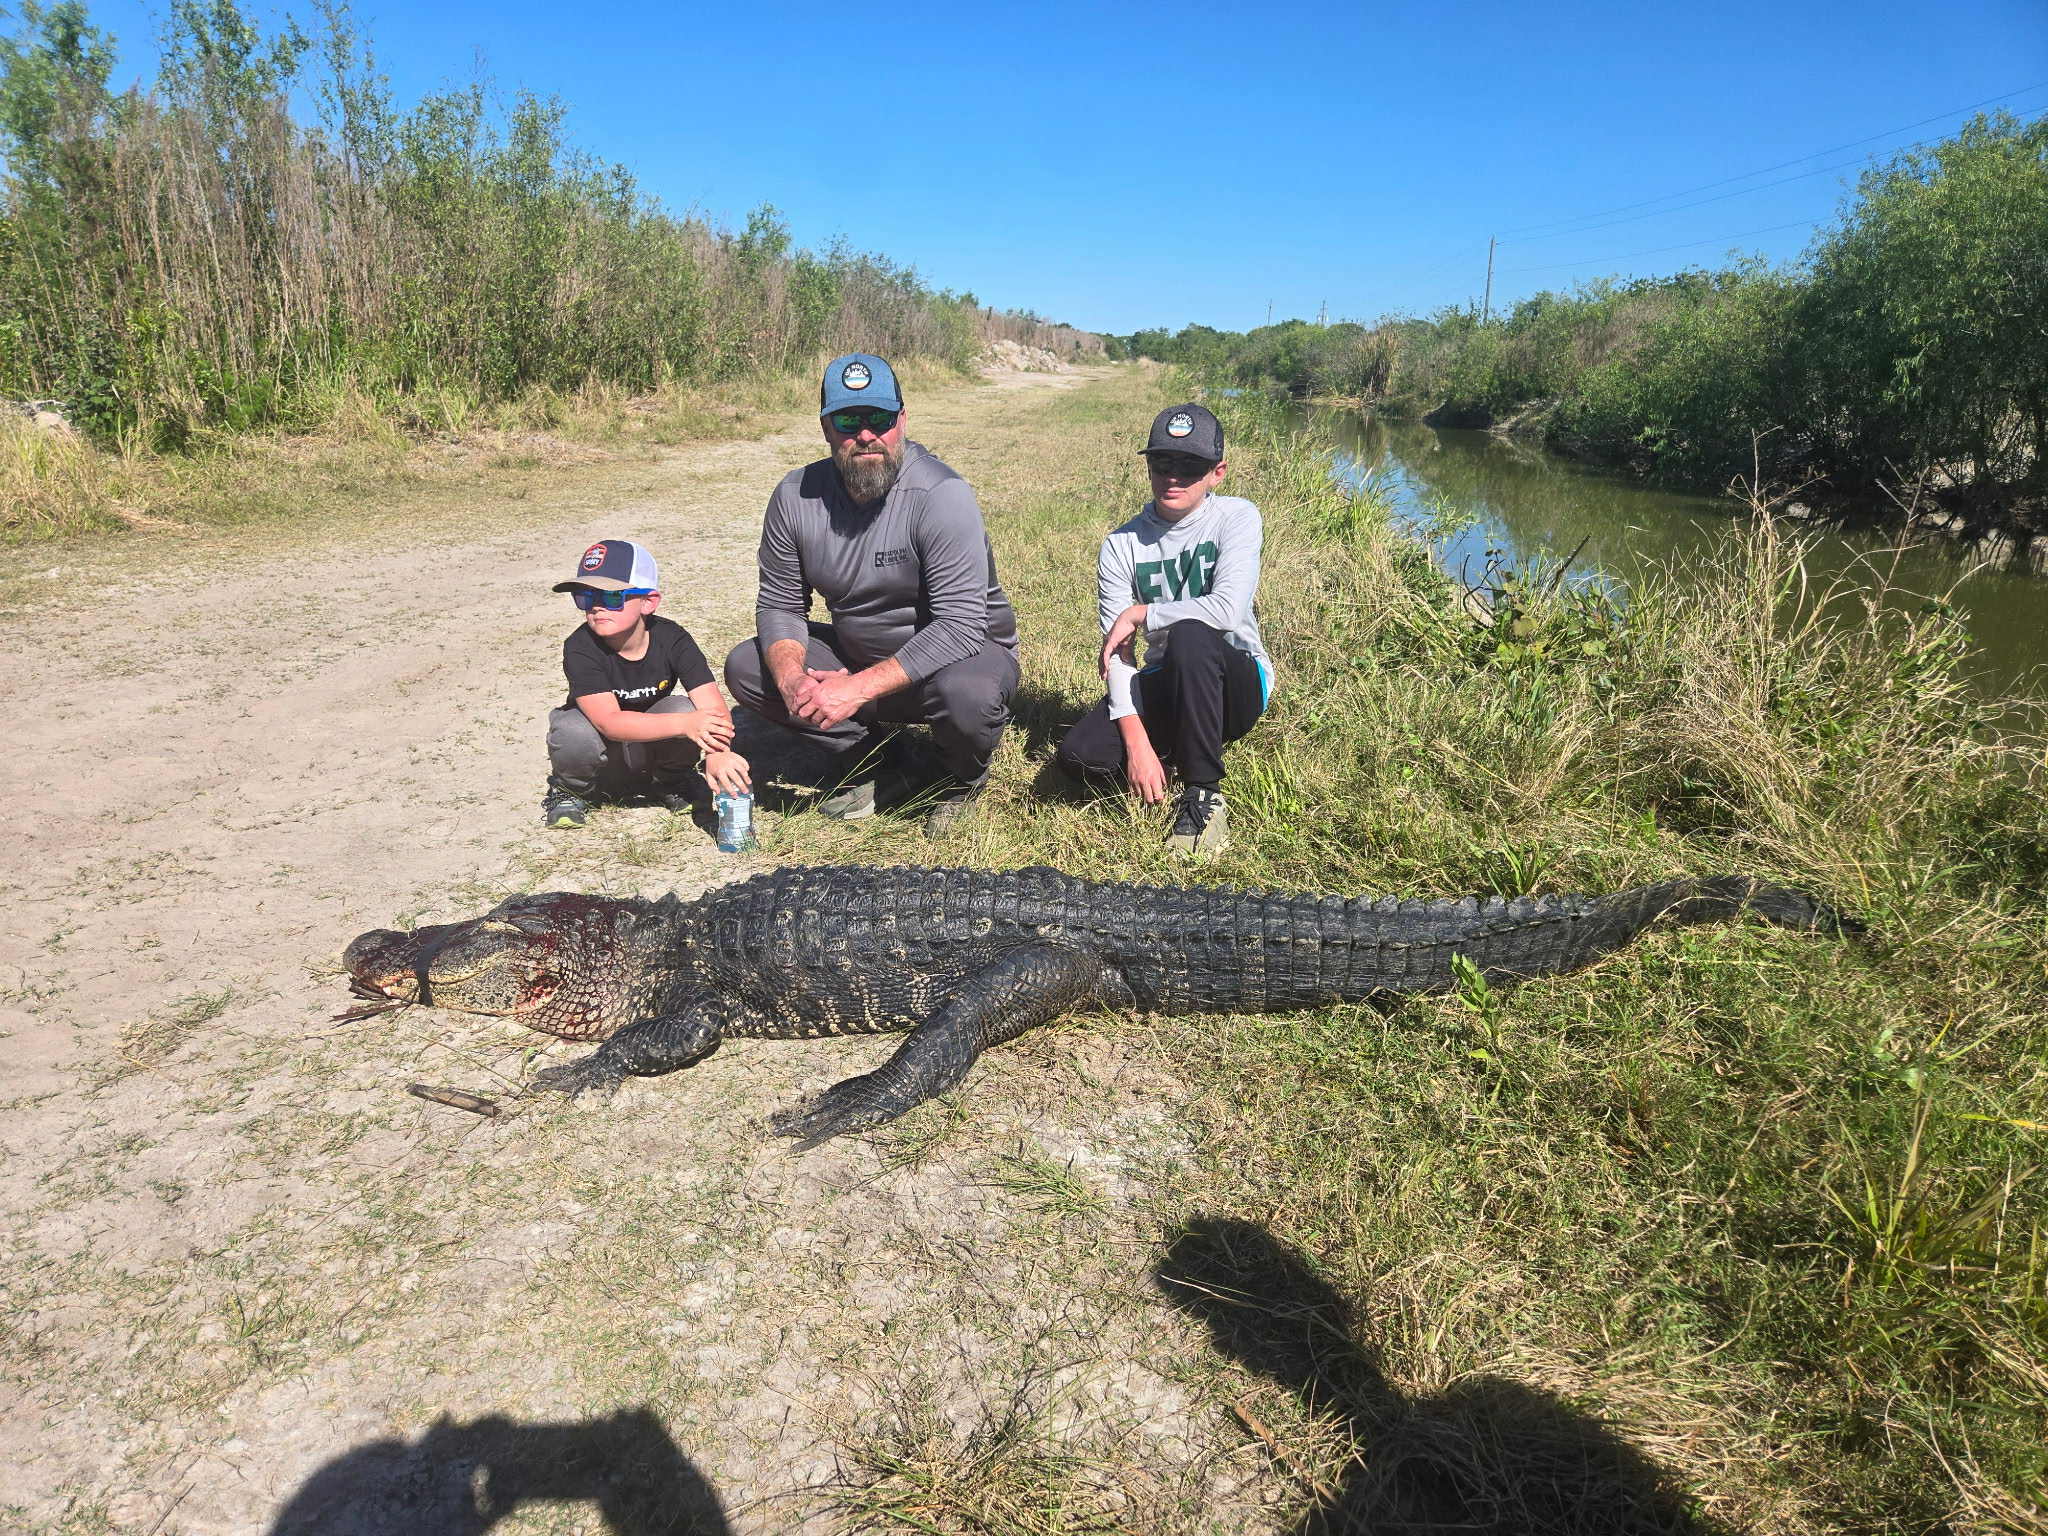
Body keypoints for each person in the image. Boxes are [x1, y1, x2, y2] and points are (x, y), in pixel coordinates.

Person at [723, 353, 1020, 839]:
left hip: (958, 660)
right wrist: (794, 676)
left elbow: (962, 625)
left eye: (879, 418)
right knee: (749, 666)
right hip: (859, 657)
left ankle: (960, 777)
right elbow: (779, 604)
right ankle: (884, 756)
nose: (866, 434)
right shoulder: (794, 497)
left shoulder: (941, 494)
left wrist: (855, 689)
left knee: (968, 694)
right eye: (848, 420)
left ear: (901, 420)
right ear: (825, 427)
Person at [1053, 403, 1271, 857]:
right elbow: (1119, 655)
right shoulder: (1121, 544)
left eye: (1190, 466)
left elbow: (1227, 610)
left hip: (1236, 683)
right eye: (1162, 463)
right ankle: (1166, 751)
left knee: (1191, 635)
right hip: (1167, 681)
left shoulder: (1237, 517)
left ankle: (1204, 793)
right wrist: (1136, 744)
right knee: (1080, 757)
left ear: (1218, 472)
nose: (1173, 476)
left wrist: (1141, 614)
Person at [541, 538, 751, 830]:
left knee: (686, 707)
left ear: (648, 602)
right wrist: (685, 725)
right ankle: (572, 791)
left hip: (648, 746)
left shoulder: (673, 638)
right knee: (572, 728)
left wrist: (718, 753)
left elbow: (711, 704)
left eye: (612, 597)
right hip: (605, 753)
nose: (597, 608)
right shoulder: (580, 646)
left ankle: (667, 781)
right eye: (587, 597)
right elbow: (608, 722)